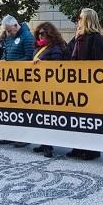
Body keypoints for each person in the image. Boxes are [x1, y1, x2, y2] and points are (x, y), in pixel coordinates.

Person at [66, 8, 103, 160]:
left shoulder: (95, 37)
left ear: (88, 19)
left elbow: (101, 62)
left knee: (89, 119)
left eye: (81, 17)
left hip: (90, 85)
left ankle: (92, 150)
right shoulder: (80, 37)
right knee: (77, 118)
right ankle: (78, 147)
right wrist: (75, 38)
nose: (78, 20)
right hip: (77, 84)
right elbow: (68, 54)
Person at [31, 22, 68, 157]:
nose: (40, 36)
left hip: (51, 88)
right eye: (39, 34)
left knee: (48, 118)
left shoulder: (55, 47)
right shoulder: (38, 47)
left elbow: (57, 66)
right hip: (39, 86)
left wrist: (43, 65)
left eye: (43, 33)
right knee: (40, 118)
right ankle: (43, 143)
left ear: (50, 34)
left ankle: (49, 147)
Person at [0, 14, 34, 147]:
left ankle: (23, 137)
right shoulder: (9, 36)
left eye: (9, 30)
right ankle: (11, 134)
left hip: (22, 79)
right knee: (10, 109)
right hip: (10, 78)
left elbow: (29, 57)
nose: (8, 33)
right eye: (6, 31)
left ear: (15, 25)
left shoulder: (27, 37)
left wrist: (13, 64)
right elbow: (6, 53)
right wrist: (3, 59)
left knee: (22, 110)